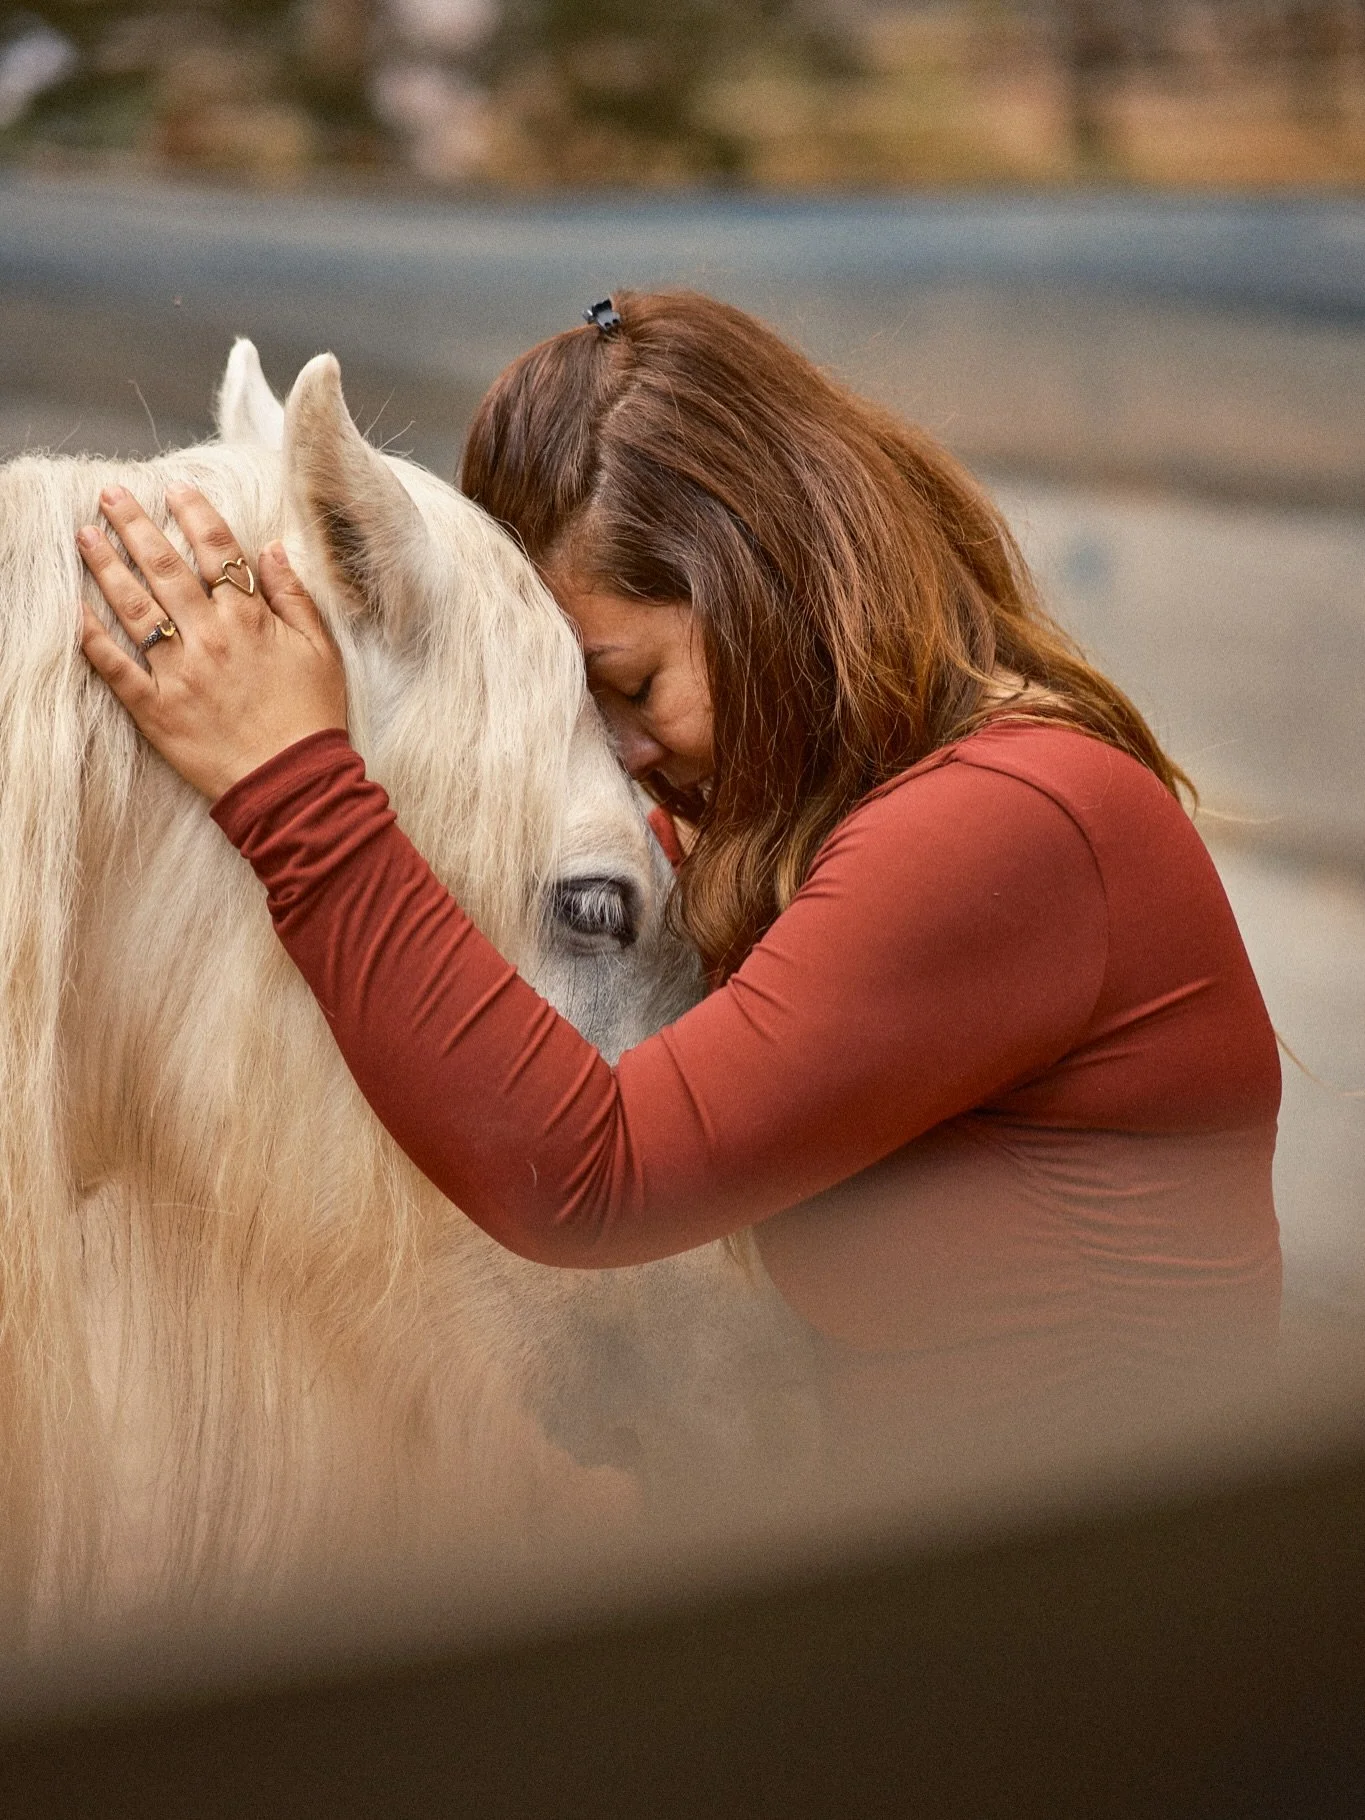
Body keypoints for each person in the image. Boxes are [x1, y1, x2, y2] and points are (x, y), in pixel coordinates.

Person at [77, 290, 1281, 1441]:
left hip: (1113, 1606)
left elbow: (601, 1174)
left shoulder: (1011, 823)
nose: (631, 755)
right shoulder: (848, 828)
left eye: (636, 685)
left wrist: (287, 783)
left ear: (760, 572)